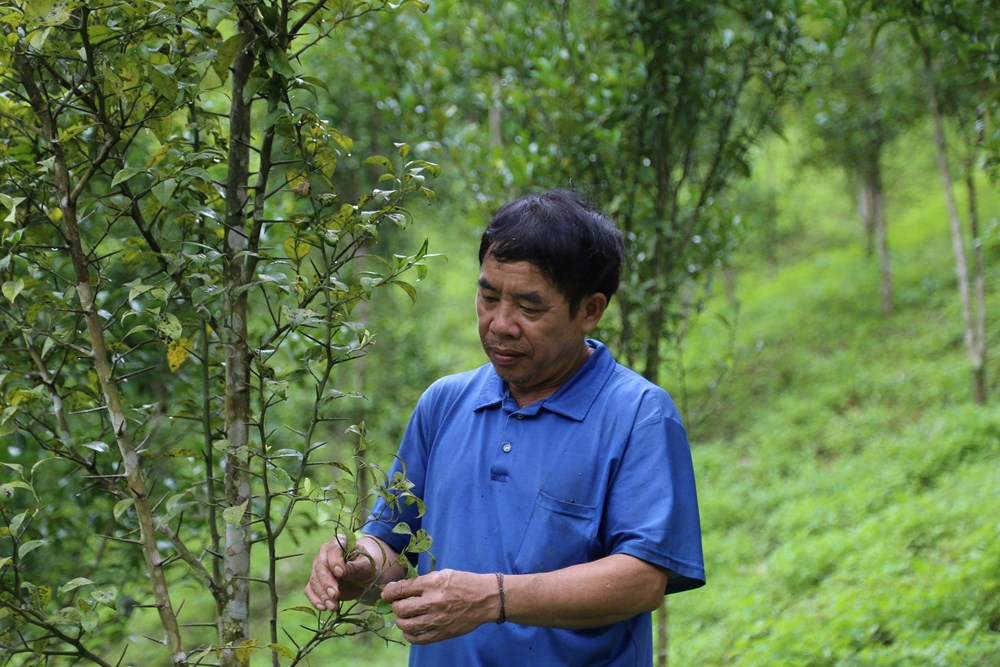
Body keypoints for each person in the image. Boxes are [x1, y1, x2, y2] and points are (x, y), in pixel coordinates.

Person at [305, 189, 705, 665]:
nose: (500, 324)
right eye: (488, 297)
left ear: (590, 310)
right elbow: (393, 546)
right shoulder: (445, 404)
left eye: (529, 308)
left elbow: (642, 580)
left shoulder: (638, 414)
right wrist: (360, 566)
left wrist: (492, 598)